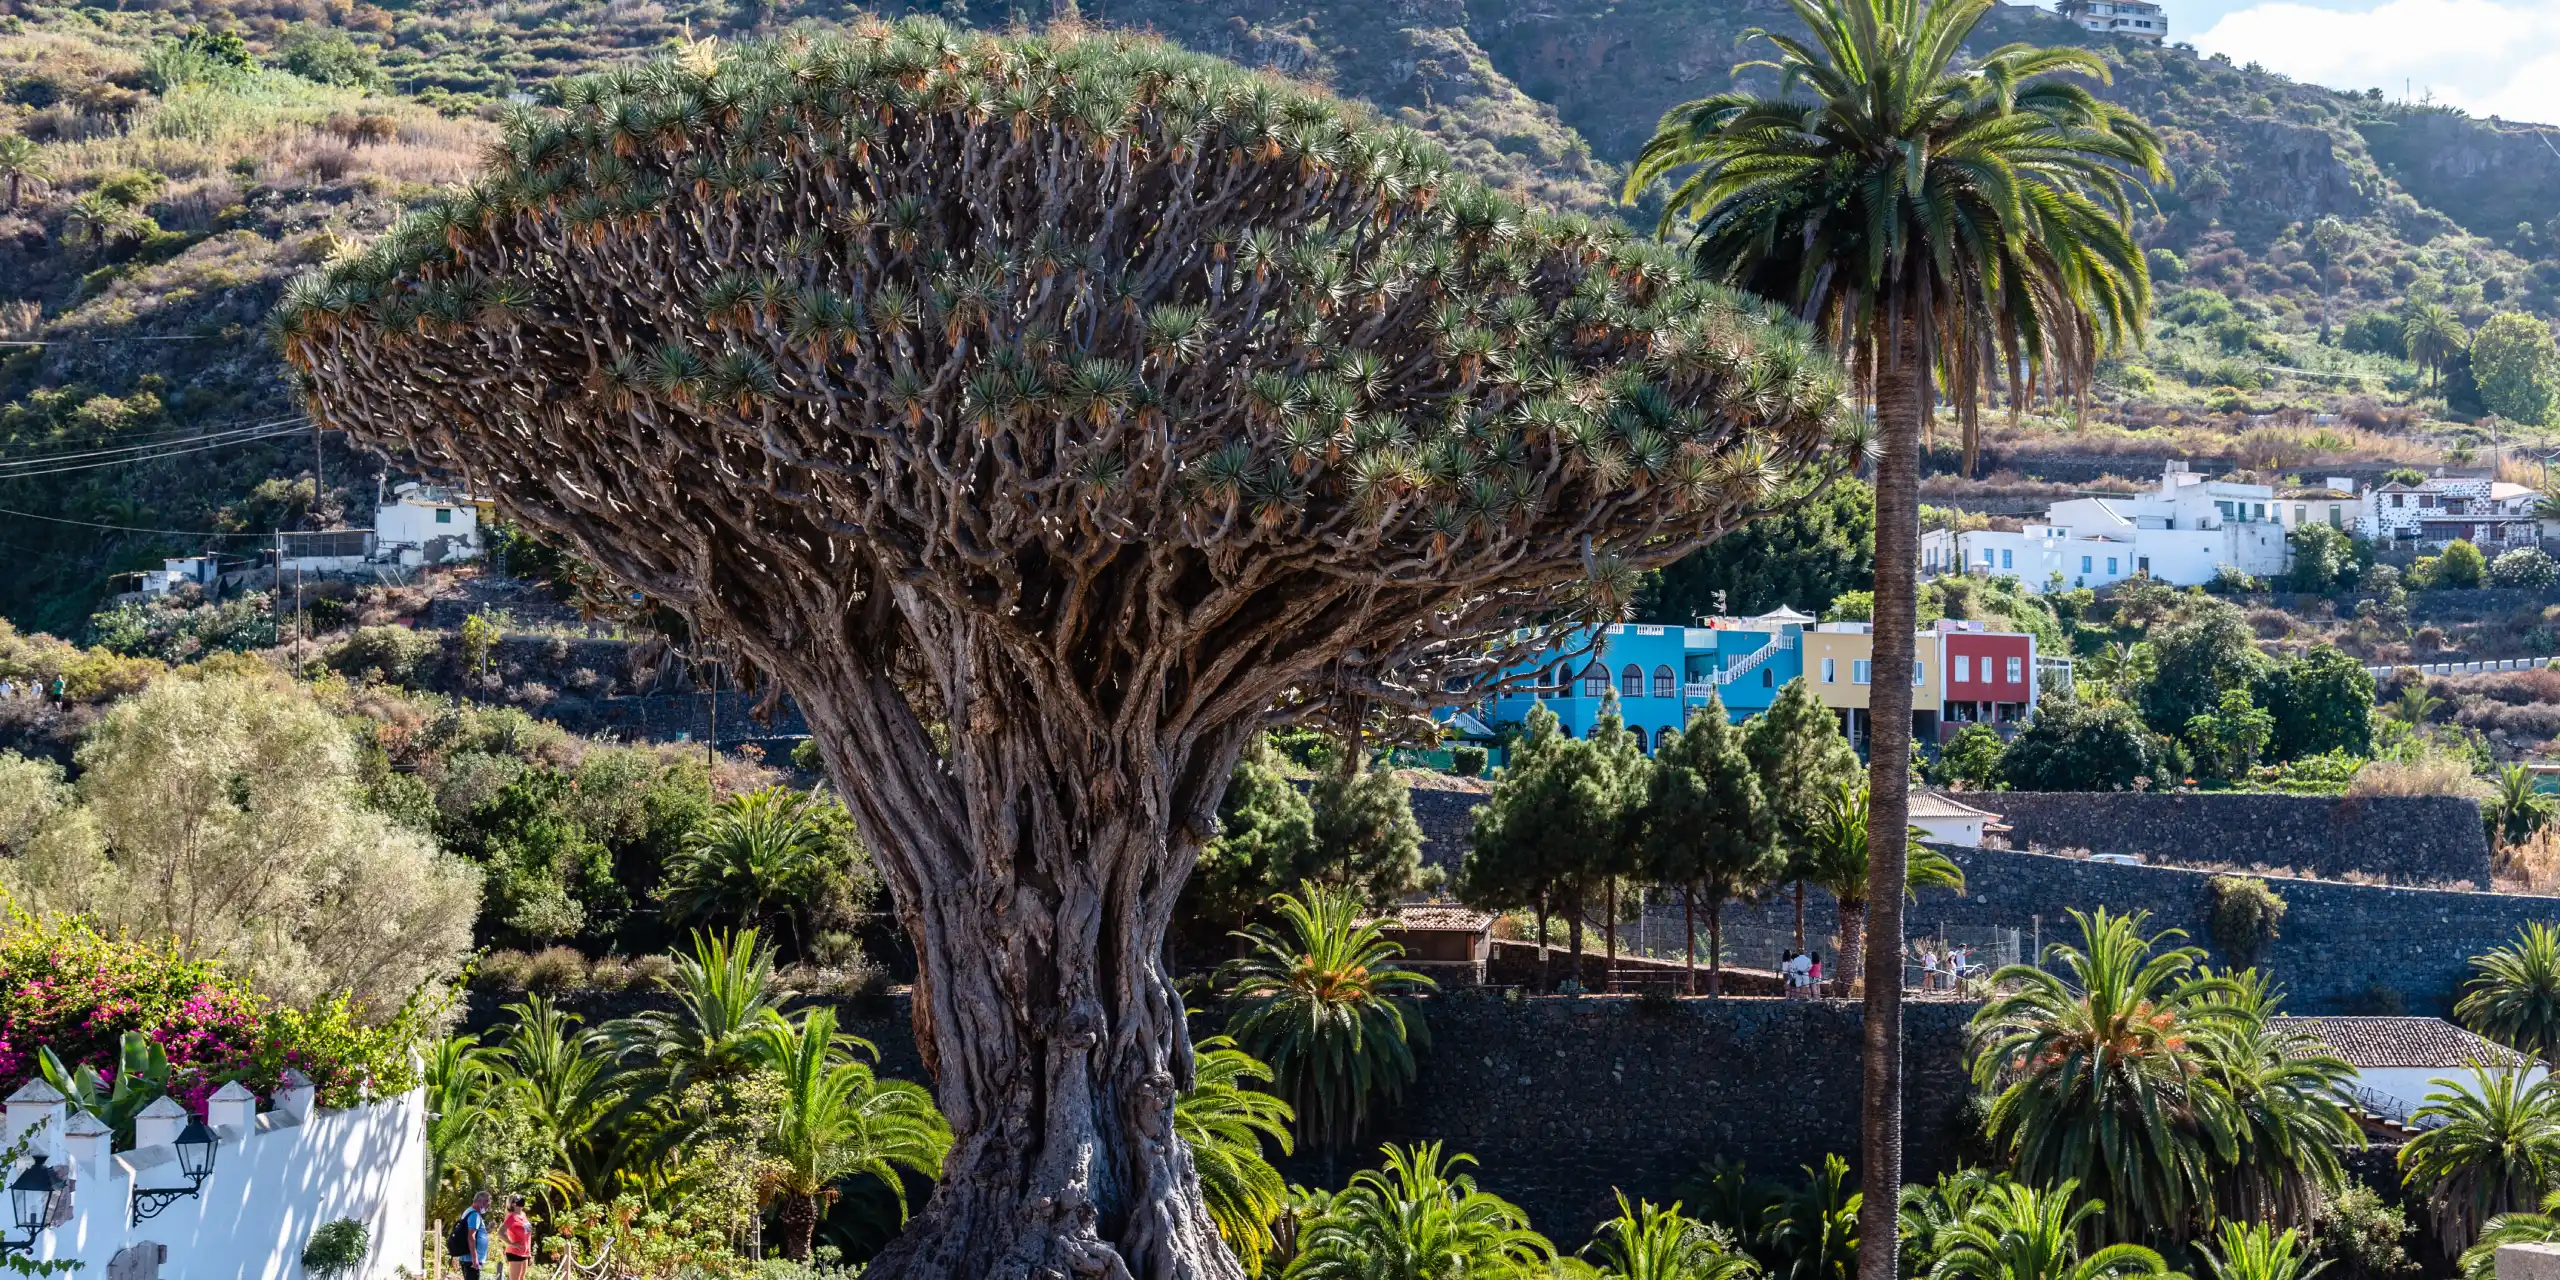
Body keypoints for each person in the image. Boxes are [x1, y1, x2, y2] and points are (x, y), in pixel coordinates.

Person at [457, 1191, 492, 1280]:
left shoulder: (469, 1212)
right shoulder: (474, 1215)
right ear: (481, 1202)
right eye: (487, 1204)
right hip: (470, 1260)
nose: (488, 1207)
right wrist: (475, 1258)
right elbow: (471, 1237)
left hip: (468, 1259)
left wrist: (487, 1230)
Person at [501, 1195, 533, 1280]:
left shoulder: (523, 1214)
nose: (521, 1200)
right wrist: (511, 1243)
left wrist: (529, 1253)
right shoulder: (511, 1217)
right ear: (513, 1204)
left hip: (525, 1252)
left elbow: (527, 1235)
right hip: (515, 1252)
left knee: (522, 1278)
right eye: (517, 1199)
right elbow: (500, 1232)